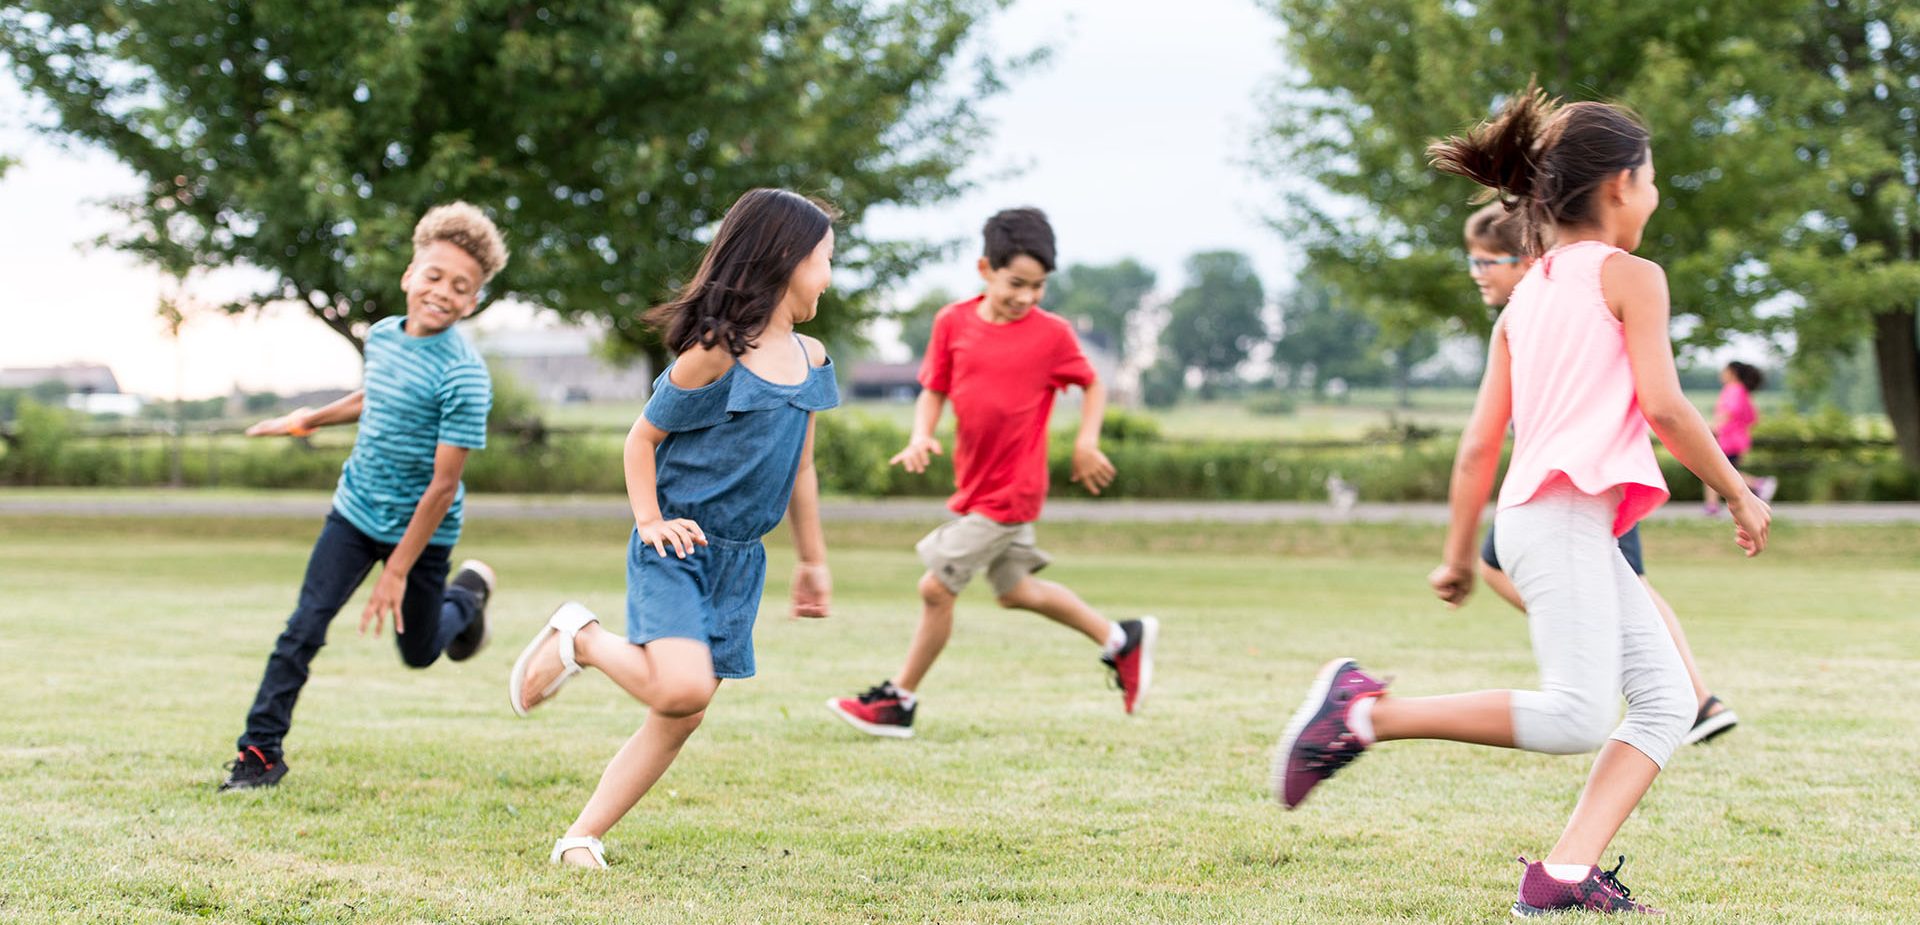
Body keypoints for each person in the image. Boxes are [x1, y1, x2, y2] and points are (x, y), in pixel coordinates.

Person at [1272, 88, 1771, 916]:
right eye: (1652, 180)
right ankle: (1366, 711)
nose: (1654, 195)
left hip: (1544, 522)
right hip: (1565, 519)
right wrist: (1737, 495)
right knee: (1579, 714)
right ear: (1619, 183)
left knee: (1667, 698)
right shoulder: (1633, 277)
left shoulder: (1529, 294)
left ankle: (1565, 874)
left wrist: (1460, 552)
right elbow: (1667, 407)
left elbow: (1478, 446)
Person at [507, 189, 840, 869]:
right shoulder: (716, 351)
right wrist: (650, 519)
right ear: (785, 259)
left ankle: (582, 835)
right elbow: (642, 438)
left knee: (681, 715)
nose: (830, 276)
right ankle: (582, 637)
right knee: (681, 688)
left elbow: (801, 467)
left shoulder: (814, 357)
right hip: (679, 547)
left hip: (743, 560)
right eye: (824, 259)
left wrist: (812, 559)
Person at [825, 208, 1156, 739]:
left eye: (1039, 286)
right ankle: (1121, 639)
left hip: (1012, 490)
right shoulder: (951, 322)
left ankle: (898, 701)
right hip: (975, 486)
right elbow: (934, 386)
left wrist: (1087, 442)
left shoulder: (1052, 335)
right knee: (1015, 591)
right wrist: (921, 434)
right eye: (1016, 283)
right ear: (985, 268)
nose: (1026, 297)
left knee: (936, 588)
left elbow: (1092, 384)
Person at [220, 202, 507, 792]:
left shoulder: (465, 376)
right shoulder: (382, 337)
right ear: (409, 275)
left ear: (472, 301)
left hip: (423, 532)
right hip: (355, 511)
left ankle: (468, 598)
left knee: (421, 652)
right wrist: (308, 419)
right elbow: (372, 395)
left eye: (460, 287)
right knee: (303, 628)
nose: (442, 293)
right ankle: (259, 756)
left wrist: (398, 568)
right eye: (433, 276)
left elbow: (444, 484)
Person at [1464, 204, 1737, 746]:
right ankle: (1666, 682)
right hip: (1559, 494)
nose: (1477, 273)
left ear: (1527, 258)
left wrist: (1735, 492)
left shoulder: (1562, 297)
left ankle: (1695, 695)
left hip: (1582, 486)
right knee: (1523, 579)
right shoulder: (1526, 317)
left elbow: (1664, 406)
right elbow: (1479, 443)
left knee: (1599, 696)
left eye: (1487, 261)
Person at [1703, 361, 1777, 514]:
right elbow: (1753, 418)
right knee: (1717, 471)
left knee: (1715, 471)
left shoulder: (1733, 389)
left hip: (1728, 440)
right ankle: (1712, 505)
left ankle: (1758, 484)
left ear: (1733, 373)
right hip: (1738, 440)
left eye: (1725, 370)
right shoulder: (1743, 392)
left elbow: (1728, 413)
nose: (1721, 373)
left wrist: (1710, 427)